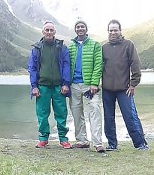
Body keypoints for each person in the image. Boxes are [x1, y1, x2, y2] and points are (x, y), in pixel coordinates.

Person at [102, 19, 149, 151]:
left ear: (120, 31)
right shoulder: (104, 48)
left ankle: (140, 143)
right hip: (107, 89)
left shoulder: (128, 45)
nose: (113, 33)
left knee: (130, 116)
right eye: (110, 30)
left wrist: (133, 84)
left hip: (124, 89)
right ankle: (112, 144)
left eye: (115, 30)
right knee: (108, 117)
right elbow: (99, 67)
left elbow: (136, 65)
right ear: (108, 32)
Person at [28, 21, 72, 149]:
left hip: (59, 86)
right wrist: (34, 86)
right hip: (43, 86)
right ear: (43, 32)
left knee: (61, 113)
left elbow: (67, 65)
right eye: (46, 30)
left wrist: (66, 84)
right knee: (42, 113)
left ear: (55, 32)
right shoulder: (37, 49)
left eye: (51, 30)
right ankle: (43, 138)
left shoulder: (62, 48)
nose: (49, 32)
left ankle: (63, 138)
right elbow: (32, 68)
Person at [68, 19, 105, 153]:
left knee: (95, 110)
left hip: (90, 85)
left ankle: (98, 143)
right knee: (77, 113)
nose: (80, 29)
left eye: (82, 27)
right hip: (74, 85)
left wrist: (95, 83)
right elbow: (67, 66)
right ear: (75, 30)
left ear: (86, 29)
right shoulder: (70, 46)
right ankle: (82, 141)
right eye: (78, 27)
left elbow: (99, 64)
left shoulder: (95, 45)